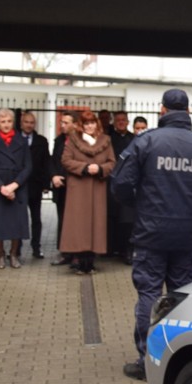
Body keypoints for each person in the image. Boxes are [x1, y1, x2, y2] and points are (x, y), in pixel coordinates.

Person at [112, 88, 192, 380]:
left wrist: (140, 204)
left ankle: (146, 362)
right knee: (182, 296)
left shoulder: (146, 141)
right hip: (186, 234)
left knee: (149, 294)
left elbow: (120, 185)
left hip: (150, 233)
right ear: (188, 111)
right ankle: (180, 360)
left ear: (162, 110)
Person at [59, 111, 116, 275]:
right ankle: (78, 261)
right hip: (78, 187)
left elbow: (112, 162)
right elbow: (66, 160)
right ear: (81, 125)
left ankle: (90, 262)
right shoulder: (73, 140)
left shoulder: (106, 140)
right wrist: (84, 168)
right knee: (79, 224)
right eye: (86, 124)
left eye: (92, 123)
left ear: (96, 124)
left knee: (95, 224)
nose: (89, 126)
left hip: (97, 187)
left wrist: (100, 168)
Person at [0, 108, 32, 270]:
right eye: (2, 121)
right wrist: (2, 188)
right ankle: (0, 254)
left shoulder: (22, 142)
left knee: (16, 222)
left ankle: (13, 254)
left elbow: (28, 167)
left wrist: (14, 185)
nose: (6, 124)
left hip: (17, 186)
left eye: (9, 121)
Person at [19, 112, 51, 259]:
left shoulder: (41, 141)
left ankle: (36, 247)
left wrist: (46, 184)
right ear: (21, 123)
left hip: (35, 185)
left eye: (32, 122)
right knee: (19, 218)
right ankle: (16, 248)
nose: (29, 125)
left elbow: (46, 162)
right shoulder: (15, 139)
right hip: (19, 185)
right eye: (26, 122)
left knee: (36, 219)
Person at [50, 111, 76, 266]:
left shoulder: (80, 141)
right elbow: (53, 160)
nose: (63, 125)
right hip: (61, 187)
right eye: (62, 122)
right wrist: (53, 176)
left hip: (75, 187)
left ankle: (76, 252)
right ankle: (64, 252)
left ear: (74, 124)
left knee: (75, 221)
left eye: (66, 122)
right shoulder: (59, 140)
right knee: (62, 220)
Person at [109, 110, 135, 262]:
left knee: (127, 220)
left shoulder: (134, 139)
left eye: (123, 120)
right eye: (118, 120)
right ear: (113, 122)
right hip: (111, 183)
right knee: (112, 218)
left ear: (127, 121)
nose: (121, 122)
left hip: (128, 184)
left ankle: (127, 250)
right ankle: (112, 249)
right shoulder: (108, 139)